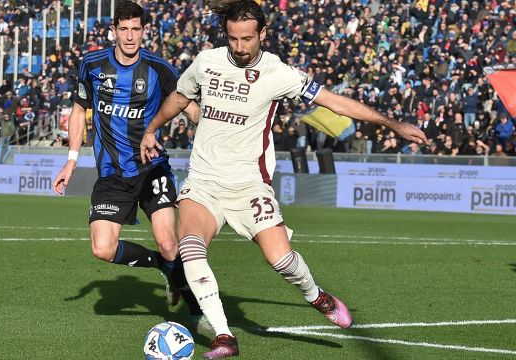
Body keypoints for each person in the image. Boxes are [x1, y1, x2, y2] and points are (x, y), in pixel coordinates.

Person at [140, 1, 428, 358]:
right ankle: (224, 336)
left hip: (248, 186)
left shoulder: (278, 73)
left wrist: (393, 124)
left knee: (281, 260)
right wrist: (151, 129)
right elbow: (179, 98)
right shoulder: (206, 61)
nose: (240, 47)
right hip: (203, 182)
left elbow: (334, 103)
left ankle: (317, 296)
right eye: (233, 39)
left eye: (247, 39)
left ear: (263, 34)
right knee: (191, 249)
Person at [52, 0, 205, 327]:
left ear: (144, 31)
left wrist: (207, 123)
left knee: (168, 243)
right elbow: (79, 110)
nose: (130, 36)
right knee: (102, 248)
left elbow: (187, 105)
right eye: (124, 29)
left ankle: (198, 312)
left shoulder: (158, 68)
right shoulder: (92, 64)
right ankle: (163, 268)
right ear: (114, 31)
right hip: (112, 174)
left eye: (136, 29)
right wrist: (70, 161)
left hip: (152, 169)